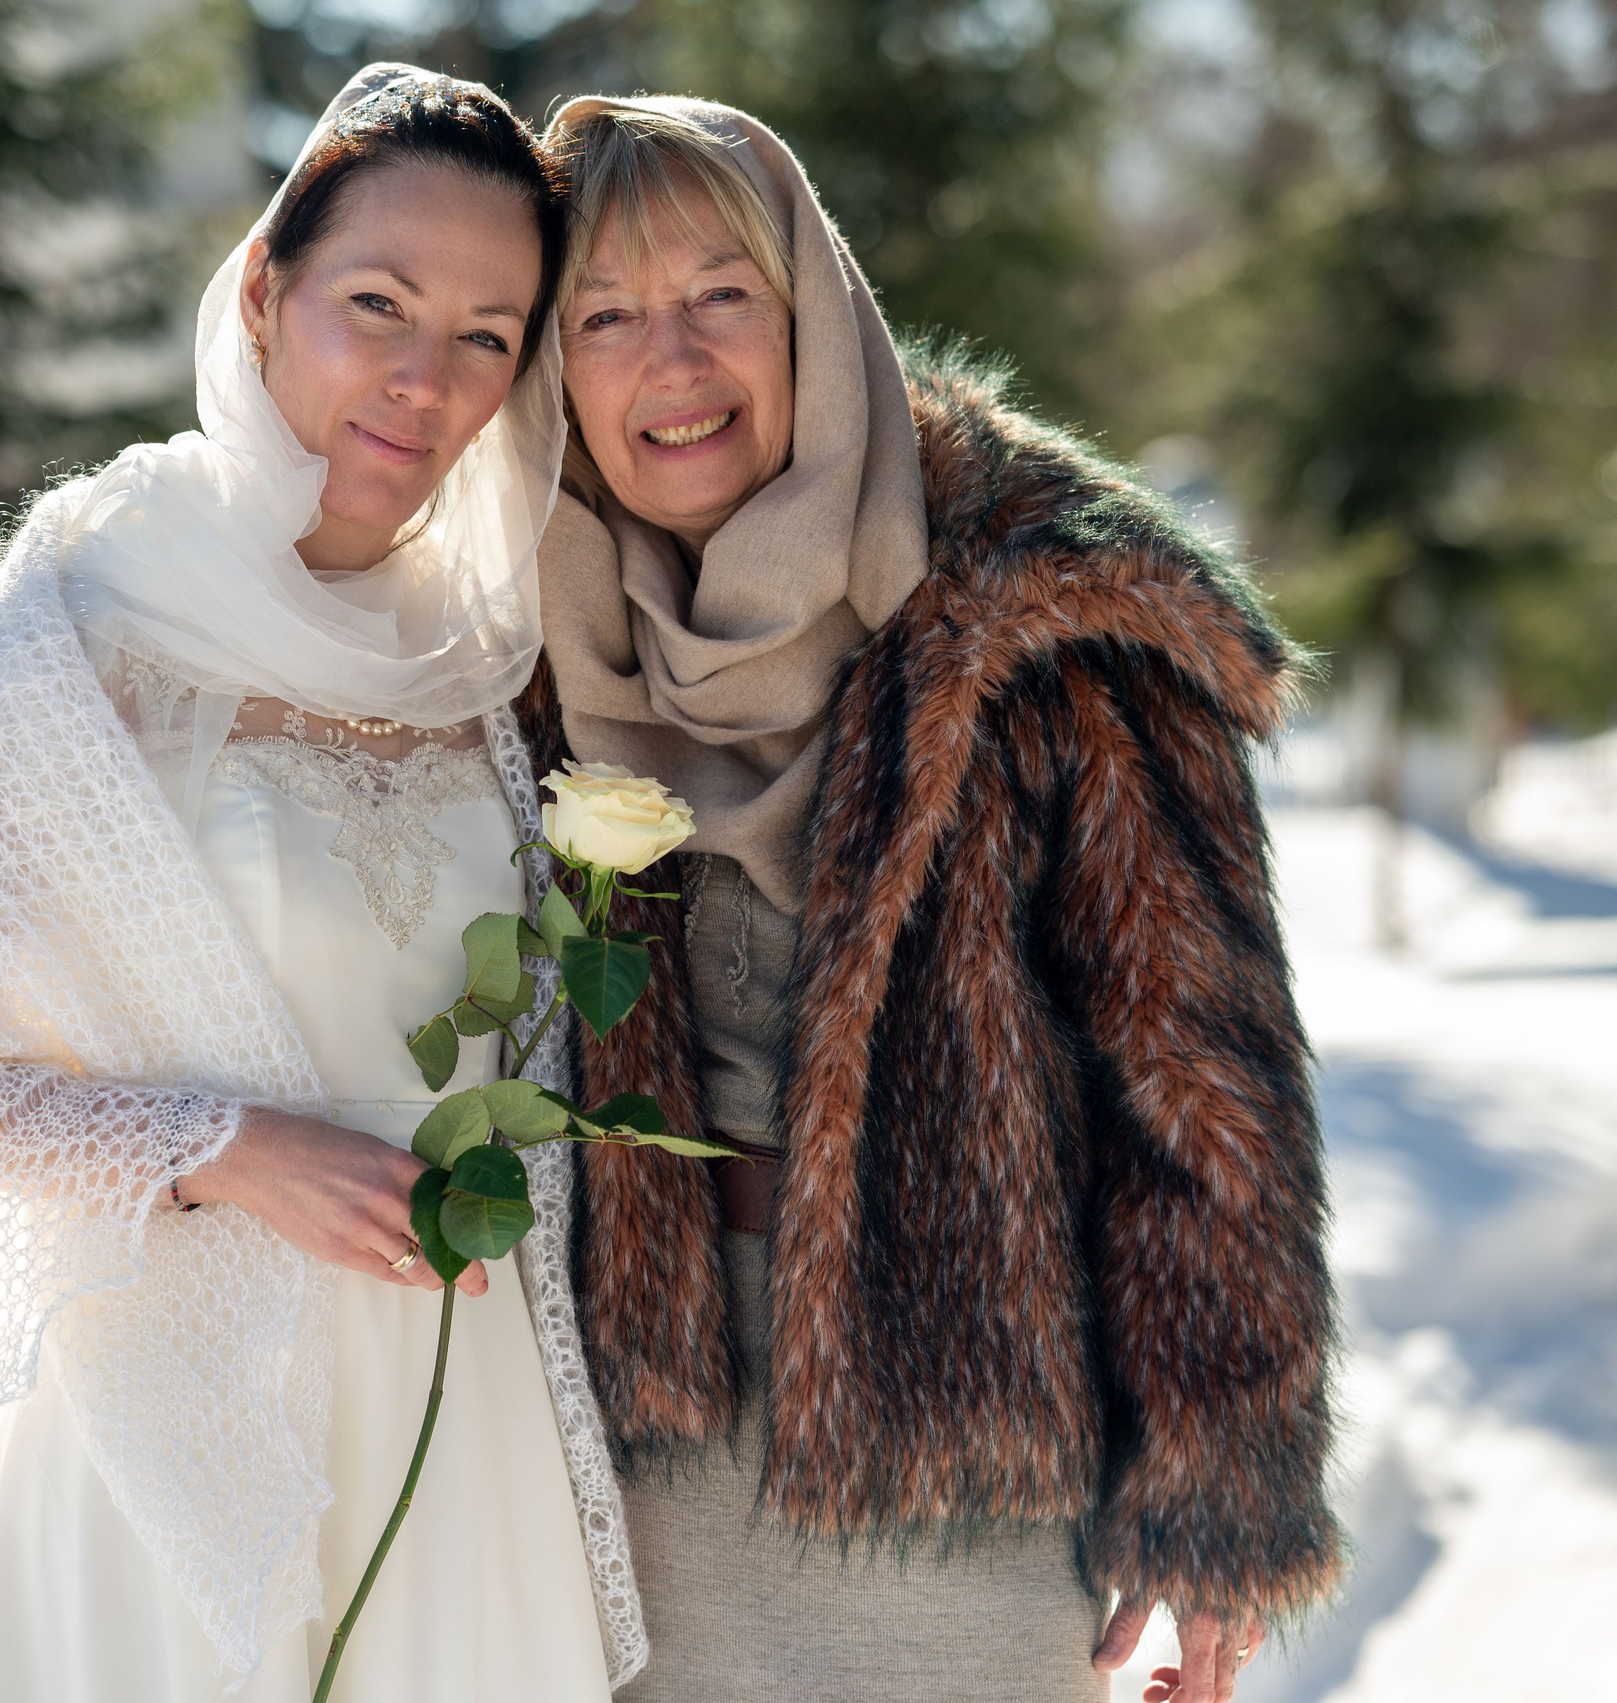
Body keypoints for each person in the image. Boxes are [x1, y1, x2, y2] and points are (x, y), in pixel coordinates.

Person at [0, 67, 644, 1703]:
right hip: (167, 1432)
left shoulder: (495, 648)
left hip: (461, 1424)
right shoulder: (91, 605)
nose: (423, 378)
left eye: (487, 334)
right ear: (267, 292)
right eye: (377, 304)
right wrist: (226, 1152)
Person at [515, 97, 1342, 1703]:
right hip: (611, 1467)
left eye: (719, 296)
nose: (667, 363)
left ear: (813, 307)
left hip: (959, 1466)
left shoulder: (1047, 608)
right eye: (603, 317)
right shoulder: (518, 626)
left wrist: (1219, 1487)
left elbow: (1203, 1085)